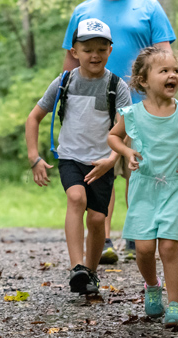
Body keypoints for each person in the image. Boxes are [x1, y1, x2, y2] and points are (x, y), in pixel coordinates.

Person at [63, 0, 176, 263]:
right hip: (97, 110)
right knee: (102, 169)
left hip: (143, 105)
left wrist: (165, 99)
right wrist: (65, 107)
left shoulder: (149, 7)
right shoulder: (83, 10)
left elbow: (165, 59)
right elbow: (68, 67)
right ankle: (106, 239)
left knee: (139, 172)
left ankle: (135, 235)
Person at [26, 18, 132, 295]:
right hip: (71, 156)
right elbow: (34, 117)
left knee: (97, 220)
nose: (94, 55)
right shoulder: (64, 82)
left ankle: (91, 273)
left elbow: (125, 128)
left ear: (110, 50)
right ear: (74, 52)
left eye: (100, 48)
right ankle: (77, 267)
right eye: (87, 49)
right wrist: (34, 157)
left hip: (103, 161)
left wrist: (112, 159)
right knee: (76, 197)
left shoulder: (116, 86)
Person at [107, 47, 178, 328]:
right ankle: (152, 286)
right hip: (144, 189)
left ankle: (175, 305)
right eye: (164, 71)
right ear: (144, 81)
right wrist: (126, 153)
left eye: (175, 70)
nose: (172, 75)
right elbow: (114, 137)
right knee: (145, 249)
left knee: (169, 249)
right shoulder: (132, 114)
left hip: (175, 186)